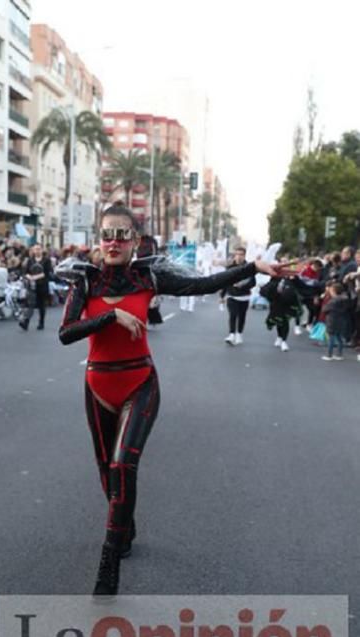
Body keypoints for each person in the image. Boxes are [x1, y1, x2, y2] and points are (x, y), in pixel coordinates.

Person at [57, 204, 281, 597]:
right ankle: (124, 525)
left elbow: (204, 285)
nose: (113, 242)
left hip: (140, 382)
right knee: (107, 474)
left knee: (123, 463)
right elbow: (66, 333)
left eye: (122, 235)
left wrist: (252, 268)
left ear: (136, 242)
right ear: (99, 240)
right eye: (107, 234)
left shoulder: (149, 277)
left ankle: (108, 568)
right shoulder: (85, 283)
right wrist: (110, 319)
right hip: (97, 388)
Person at [220, 246, 256, 346]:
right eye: (237, 254)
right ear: (234, 255)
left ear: (244, 256)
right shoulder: (229, 267)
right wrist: (222, 296)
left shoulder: (249, 267)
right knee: (233, 314)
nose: (239, 257)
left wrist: (242, 286)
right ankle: (231, 334)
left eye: (241, 255)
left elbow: (253, 282)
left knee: (242, 316)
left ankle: (239, 333)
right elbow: (224, 282)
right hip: (232, 296)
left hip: (244, 296)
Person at [260, 275, 302, 352]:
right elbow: (268, 288)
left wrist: (295, 279)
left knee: (285, 322)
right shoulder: (275, 277)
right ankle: (279, 336)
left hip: (287, 304)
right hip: (276, 304)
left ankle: (284, 341)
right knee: (278, 321)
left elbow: (300, 286)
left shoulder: (293, 278)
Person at [18, 243, 51, 331]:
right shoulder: (30, 260)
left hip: (42, 285)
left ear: (42, 250)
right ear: (33, 250)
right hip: (32, 286)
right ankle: (26, 322)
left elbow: (47, 273)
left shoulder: (46, 260)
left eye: (39, 249)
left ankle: (41, 322)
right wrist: (29, 277)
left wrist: (36, 277)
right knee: (30, 304)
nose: (37, 251)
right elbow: (25, 272)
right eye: (35, 249)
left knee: (41, 305)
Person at [321, 282, 350, 361]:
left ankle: (329, 355)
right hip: (342, 320)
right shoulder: (345, 299)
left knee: (331, 338)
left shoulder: (333, 301)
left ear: (334, 291)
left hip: (332, 320)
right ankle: (339, 354)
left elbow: (325, 309)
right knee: (339, 337)